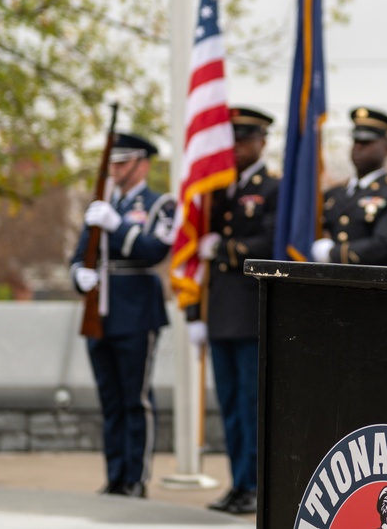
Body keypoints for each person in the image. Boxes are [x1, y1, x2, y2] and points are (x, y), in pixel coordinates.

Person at [184, 107, 279, 516]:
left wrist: (224, 248)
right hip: (221, 312)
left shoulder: (275, 187)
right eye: (232, 139)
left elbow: (272, 240)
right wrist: (195, 314)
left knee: (251, 405)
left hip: (250, 310)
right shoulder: (216, 189)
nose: (237, 146)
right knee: (230, 407)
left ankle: (256, 484)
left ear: (262, 141)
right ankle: (239, 482)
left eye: (245, 139)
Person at [69, 132, 174, 497]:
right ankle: (115, 475)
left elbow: (154, 251)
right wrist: (78, 275)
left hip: (137, 312)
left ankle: (136, 477)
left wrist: (119, 226)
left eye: (123, 161)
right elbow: (81, 252)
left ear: (142, 163)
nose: (115, 168)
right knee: (110, 399)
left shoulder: (160, 204)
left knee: (135, 398)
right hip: (100, 311)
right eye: (112, 161)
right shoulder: (102, 203)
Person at [312, 107, 387, 266]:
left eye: (367, 142)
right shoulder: (334, 193)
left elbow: (384, 245)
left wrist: (333, 254)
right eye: (356, 141)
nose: (358, 148)